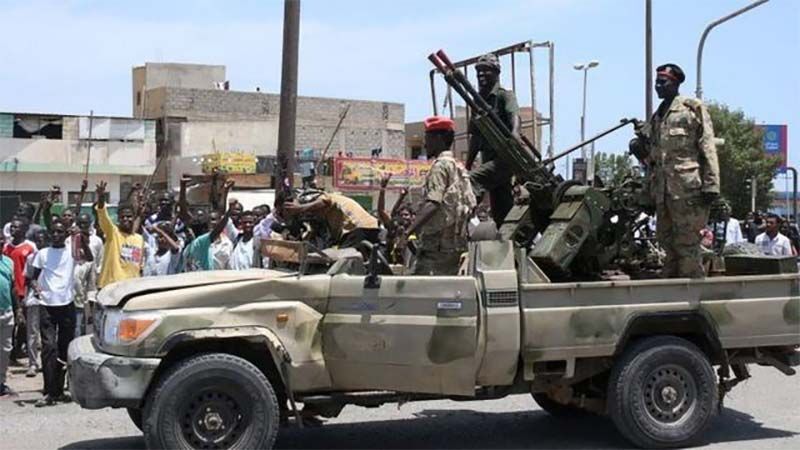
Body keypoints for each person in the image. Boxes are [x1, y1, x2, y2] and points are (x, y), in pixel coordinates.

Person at [644, 63, 720, 278]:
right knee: (666, 243)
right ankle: (671, 293)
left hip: (687, 191)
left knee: (687, 245)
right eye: (656, 82)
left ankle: (692, 295)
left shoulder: (691, 108)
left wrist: (711, 184)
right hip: (663, 192)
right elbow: (654, 160)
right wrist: (647, 193)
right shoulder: (657, 116)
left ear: (675, 83)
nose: (658, 86)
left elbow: (707, 146)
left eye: (663, 82)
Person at [30, 219, 92, 406]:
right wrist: (36, 287)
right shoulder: (42, 254)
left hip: (67, 304)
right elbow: (32, 277)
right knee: (49, 347)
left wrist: (80, 238)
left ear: (65, 234)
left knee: (64, 348)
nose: (56, 235)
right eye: (53, 232)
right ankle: (48, 390)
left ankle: (58, 391)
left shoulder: (71, 252)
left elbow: (88, 258)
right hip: (47, 305)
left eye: (60, 232)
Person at [403, 116, 475, 275]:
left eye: (427, 138)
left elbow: (433, 203)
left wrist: (408, 232)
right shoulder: (458, 167)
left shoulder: (440, 167)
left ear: (438, 139)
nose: (425, 144)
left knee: (420, 293)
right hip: (455, 247)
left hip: (436, 248)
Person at [466, 53, 520, 227]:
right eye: (478, 72)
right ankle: (508, 242)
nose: (481, 75)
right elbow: (475, 136)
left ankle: (461, 219)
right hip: (489, 160)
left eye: (485, 71)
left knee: (471, 181)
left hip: (504, 159)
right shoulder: (477, 101)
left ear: (496, 72)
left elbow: (515, 117)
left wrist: (515, 133)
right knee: (501, 211)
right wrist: (467, 165)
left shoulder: (505, 96)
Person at [281, 190, 380, 249]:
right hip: (370, 228)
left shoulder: (312, 198)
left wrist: (300, 208)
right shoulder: (325, 216)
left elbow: (326, 201)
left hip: (358, 228)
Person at [95, 181, 146, 289]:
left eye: (129, 216)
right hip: (110, 288)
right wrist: (101, 197)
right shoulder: (112, 233)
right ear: (118, 219)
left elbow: (138, 266)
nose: (125, 219)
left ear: (133, 217)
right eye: (122, 217)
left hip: (130, 289)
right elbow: (102, 215)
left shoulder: (139, 239)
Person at [2, 217, 37, 365]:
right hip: (10, 291)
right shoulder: (5, 248)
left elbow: (33, 270)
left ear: (24, 230)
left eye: (17, 227)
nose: (13, 230)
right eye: (12, 227)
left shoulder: (30, 247)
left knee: (24, 324)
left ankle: (19, 349)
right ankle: (11, 355)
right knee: (12, 325)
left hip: (25, 290)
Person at [69, 213, 104, 337]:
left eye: (85, 223)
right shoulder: (69, 240)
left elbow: (98, 263)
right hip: (72, 285)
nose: (82, 226)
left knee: (85, 322)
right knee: (74, 322)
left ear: (90, 224)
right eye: (80, 223)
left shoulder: (97, 241)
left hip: (90, 283)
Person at [181, 205, 233, 272]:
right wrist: (228, 212)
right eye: (187, 229)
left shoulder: (226, 243)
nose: (189, 232)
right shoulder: (195, 244)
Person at [0, 233, 18, 397]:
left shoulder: (8, 262)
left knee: (5, 350)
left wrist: (17, 309)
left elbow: (13, 288)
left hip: (6, 312)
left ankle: (1, 383)